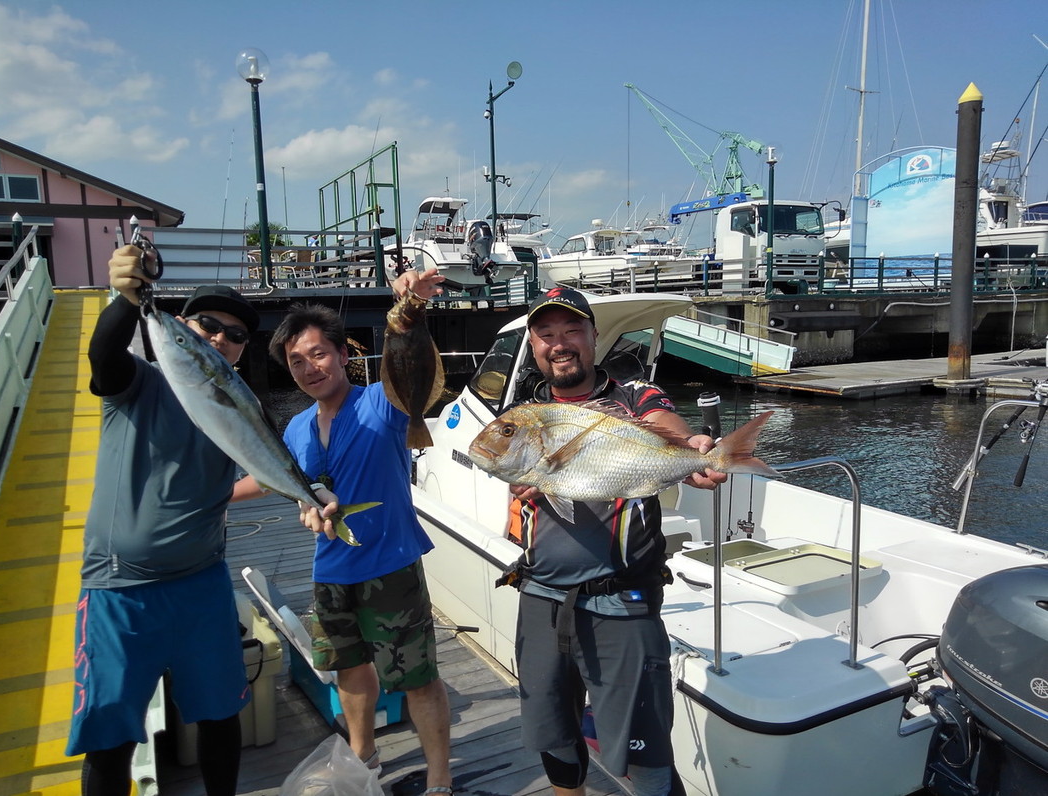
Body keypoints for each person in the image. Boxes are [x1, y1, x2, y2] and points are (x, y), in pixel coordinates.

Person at [232, 265, 453, 795]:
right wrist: (209, 498)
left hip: (390, 563)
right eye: (296, 361)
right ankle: (364, 759)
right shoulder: (295, 427)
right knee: (350, 672)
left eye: (319, 353)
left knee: (416, 678)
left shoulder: (385, 402)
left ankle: (441, 778)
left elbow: (413, 365)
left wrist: (411, 308)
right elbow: (280, 482)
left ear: (344, 353)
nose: (310, 367)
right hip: (329, 569)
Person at [503, 287, 727, 796]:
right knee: (557, 746)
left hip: (620, 606)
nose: (560, 345)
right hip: (539, 600)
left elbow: (665, 426)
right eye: (547, 335)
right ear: (534, 346)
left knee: (646, 764)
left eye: (572, 331)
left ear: (593, 336)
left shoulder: (634, 395)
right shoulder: (529, 411)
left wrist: (690, 452)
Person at [67, 248, 261, 796]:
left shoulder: (239, 406)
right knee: (110, 737)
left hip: (202, 583)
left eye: (236, 335)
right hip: (118, 589)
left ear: (243, 354)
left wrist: (313, 496)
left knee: (222, 717)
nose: (221, 338)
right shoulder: (139, 383)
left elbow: (278, 464)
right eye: (208, 325)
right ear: (180, 327)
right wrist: (127, 299)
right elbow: (103, 354)